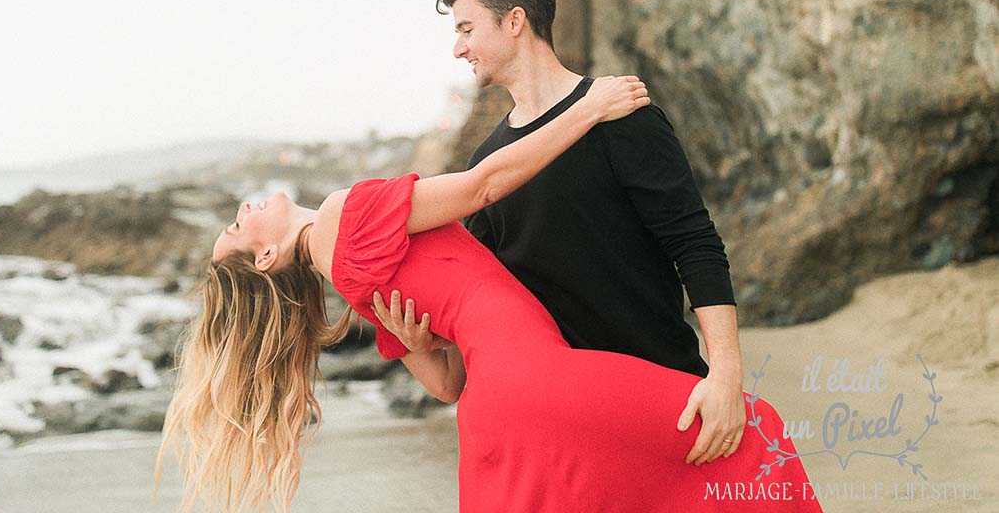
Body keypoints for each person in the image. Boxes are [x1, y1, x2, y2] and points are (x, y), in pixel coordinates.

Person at [154, 76, 823, 513]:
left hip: (496, 411)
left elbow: (447, 384)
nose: (243, 208)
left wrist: (420, 343)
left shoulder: (349, 282)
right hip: (539, 379)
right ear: (268, 255)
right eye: (239, 228)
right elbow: (482, 186)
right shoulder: (339, 214)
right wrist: (588, 109)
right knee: (753, 443)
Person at [375, 0, 746, 468]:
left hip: (664, 397)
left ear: (514, 22)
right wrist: (422, 343)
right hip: (564, 428)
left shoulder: (622, 115)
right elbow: (479, 321)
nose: (458, 48)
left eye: (466, 28)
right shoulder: (487, 165)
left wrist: (725, 376)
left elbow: (695, 244)